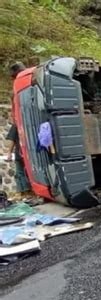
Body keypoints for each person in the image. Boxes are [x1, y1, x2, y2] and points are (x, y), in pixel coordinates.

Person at [5, 61, 33, 200]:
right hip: (27, 129)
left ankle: (24, 191)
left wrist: (8, 152)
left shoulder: (18, 91)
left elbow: (12, 136)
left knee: (20, 164)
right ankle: (26, 191)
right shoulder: (30, 84)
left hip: (23, 130)